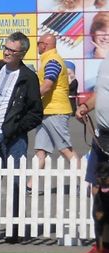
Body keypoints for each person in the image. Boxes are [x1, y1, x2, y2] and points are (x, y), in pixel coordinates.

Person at [0, 32, 43, 243]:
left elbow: (36, 113)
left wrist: (14, 129)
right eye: (5, 48)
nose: (6, 52)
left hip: (13, 139)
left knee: (15, 182)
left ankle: (15, 228)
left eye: (11, 50)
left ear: (21, 53)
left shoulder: (28, 77)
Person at [28, 34, 79, 192]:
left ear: (45, 45)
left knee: (65, 150)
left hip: (55, 111)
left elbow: (47, 85)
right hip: (47, 111)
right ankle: (30, 186)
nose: (37, 46)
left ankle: (86, 182)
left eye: (38, 43)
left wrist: (30, 101)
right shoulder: (48, 60)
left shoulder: (53, 61)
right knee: (41, 150)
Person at [74, 55, 109, 253]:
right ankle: (103, 247)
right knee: (98, 190)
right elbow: (101, 94)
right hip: (102, 134)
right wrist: (86, 106)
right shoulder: (105, 61)